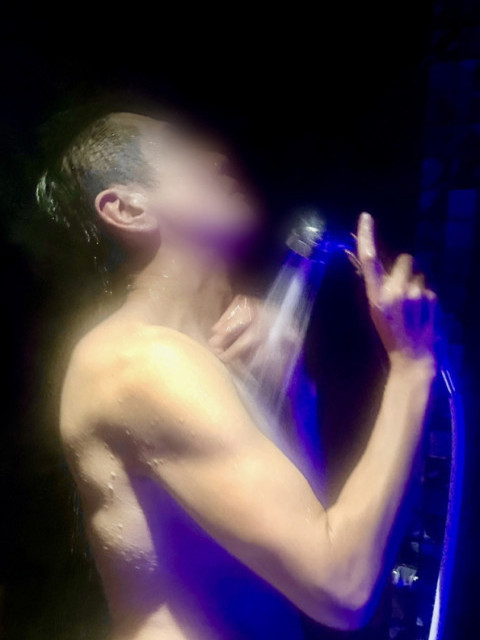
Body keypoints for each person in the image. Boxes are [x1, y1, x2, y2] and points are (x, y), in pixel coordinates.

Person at [36, 110, 438, 640]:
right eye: (181, 151)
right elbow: (341, 584)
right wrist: (411, 366)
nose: (215, 158)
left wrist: (294, 392)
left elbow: (320, 522)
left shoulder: (201, 359)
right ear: (127, 208)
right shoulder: (140, 361)